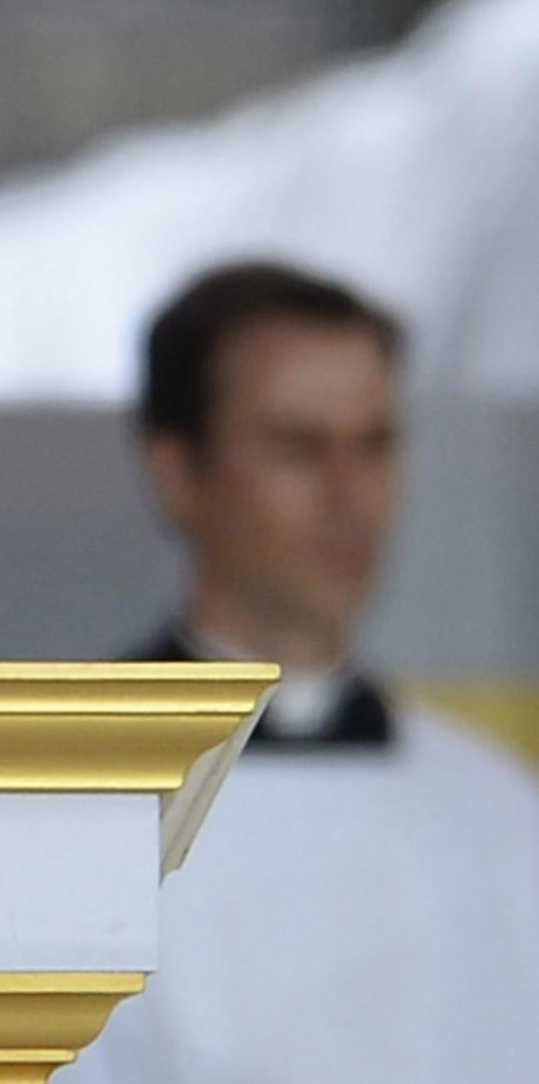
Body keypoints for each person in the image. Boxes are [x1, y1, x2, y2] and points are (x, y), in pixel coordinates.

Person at [61, 261, 539, 1082]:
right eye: (298, 447)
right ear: (177, 470)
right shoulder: (60, 804)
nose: (349, 497)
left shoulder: (500, 808)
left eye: (374, 445)